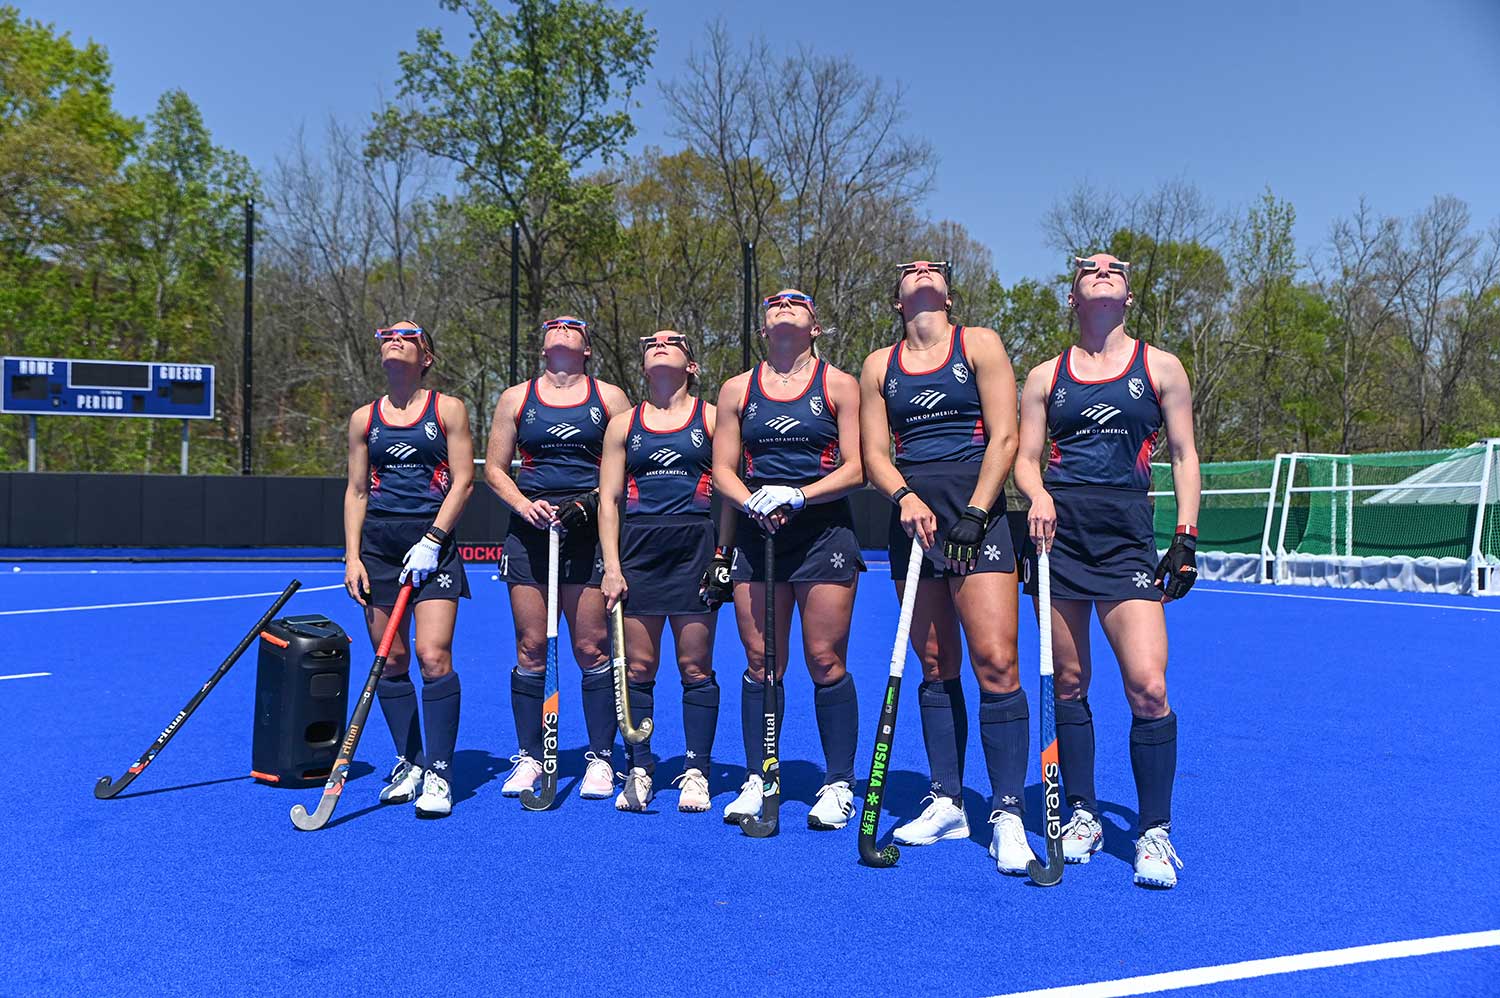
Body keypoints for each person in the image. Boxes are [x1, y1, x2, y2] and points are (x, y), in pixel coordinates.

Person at [1014, 253, 1201, 888]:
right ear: (1073, 298)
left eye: (1114, 268)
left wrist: (1185, 537)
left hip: (1126, 546)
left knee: (1148, 687)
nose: (1102, 270)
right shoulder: (1045, 377)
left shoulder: (1161, 367)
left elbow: (1182, 453)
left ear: (1126, 297)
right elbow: (1026, 458)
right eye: (1089, 269)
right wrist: (1035, 495)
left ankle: (1153, 831)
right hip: (1060, 544)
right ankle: (1084, 811)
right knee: (1068, 683)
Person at [859, 260, 1035, 874]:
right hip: (913, 519)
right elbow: (874, 454)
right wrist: (904, 498)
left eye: (932, 269)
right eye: (908, 269)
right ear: (897, 295)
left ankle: (1008, 811)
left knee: (996, 660)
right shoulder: (879, 365)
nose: (921, 271)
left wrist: (979, 510)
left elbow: (1006, 436)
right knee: (935, 663)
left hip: (975, 513)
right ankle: (947, 799)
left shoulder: (979, 344)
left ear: (948, 294)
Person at [711, 289, 865, 831]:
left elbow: (857, 467)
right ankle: (761, 776)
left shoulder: (839, 385)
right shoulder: (737, 390)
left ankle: (839, 783)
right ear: (762, 329)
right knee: (761, 663)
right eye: (774, 304)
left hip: (823, 534)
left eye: (796, 304)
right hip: (759, 534)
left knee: (825, 660)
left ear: (814, 327)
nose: (784, 306)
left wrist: (799, 494)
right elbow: (723, 469)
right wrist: (751, 499)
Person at [484, 316, 632, 801]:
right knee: (530, 647)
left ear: (587, 348)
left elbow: (628, 466)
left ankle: (601, 758)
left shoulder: (608, 398)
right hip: (531, 532)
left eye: (573, 328)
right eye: (554, 327)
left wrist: (589, 502)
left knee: (590, 648)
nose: (562, 330)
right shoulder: (515, 399)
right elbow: (495, 470)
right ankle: (528, 756)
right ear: (543, 347)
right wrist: (525, 505)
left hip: (587, 532)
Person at [343, 320, 474, 818]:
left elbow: (463, 481)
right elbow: (357, 491)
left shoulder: (448, 410)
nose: (394, 341)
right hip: (378, 546)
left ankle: (440, 771)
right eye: (387, 336)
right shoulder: (364, 419)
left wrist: (434, 539)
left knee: (432, 655)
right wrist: (352, 556)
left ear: (426, 358)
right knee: (391, 659)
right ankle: (411, 760)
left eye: (408, 337)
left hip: (431, 543)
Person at [598, 331, 724, 813]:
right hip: (639, 549)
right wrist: (612, 566)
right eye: (650, 342)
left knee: (694, 666)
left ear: (691, 366)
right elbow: (608, 500)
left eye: (673, 342)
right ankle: (641, 767)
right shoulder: (623, 425)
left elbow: (729, 489)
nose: (659, 344)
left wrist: (722, 555)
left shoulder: (710, 418)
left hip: (695, 547)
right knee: (640, 667)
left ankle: (697, 769)